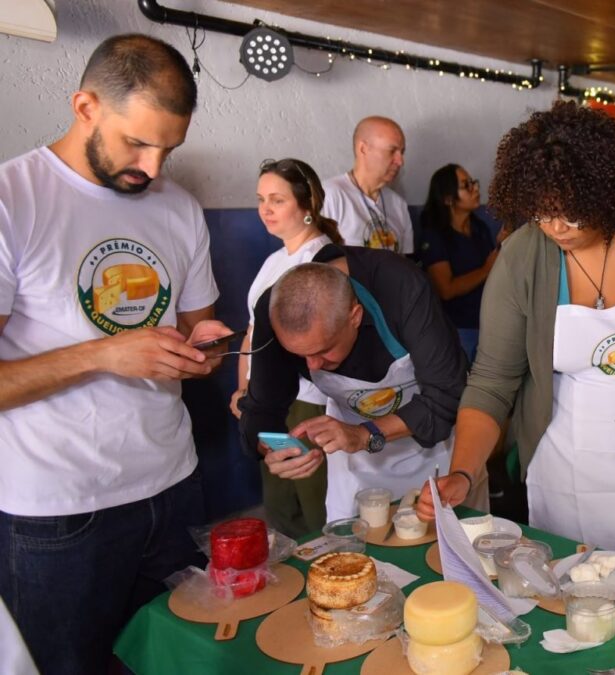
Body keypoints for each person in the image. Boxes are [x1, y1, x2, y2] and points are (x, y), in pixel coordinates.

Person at [415, 101, 615, 569]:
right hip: (569, 467)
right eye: (543, 214)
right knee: (574, 593)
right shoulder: (522, 257)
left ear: (607, 193)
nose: (556, 228)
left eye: (572, 214)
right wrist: (464, 474)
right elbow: (491, 381)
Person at [0, 34, 231, 674]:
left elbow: (198, 327)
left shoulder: (179, 208)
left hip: (173, 486)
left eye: (169, 148)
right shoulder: (13, 201)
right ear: (85, 107)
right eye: (138, 142)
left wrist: (202, 353)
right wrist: (102, 355)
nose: (153, 167)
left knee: (179, 659)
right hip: (58, 512)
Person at [238, 252, 480, 521]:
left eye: (324, 350)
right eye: (299, 355)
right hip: (355, 461)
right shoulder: (275, 308)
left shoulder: (401, 287)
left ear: (355, 315)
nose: (313, 365)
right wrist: (277, 450)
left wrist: (365, 435)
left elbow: (446, 397)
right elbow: (262, 408)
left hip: (439, 453)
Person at [228, 159, 342, 537]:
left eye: (277, 199)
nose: (265, 209)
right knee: (279, 500)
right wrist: (244, 388)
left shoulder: (323, 261)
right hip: (267, 399)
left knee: (314, 500)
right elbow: (252, 330)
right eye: (261, 199)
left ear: (306, 205)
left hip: (306, 398)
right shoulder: (274, 261)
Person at [417, 164, 509, 362]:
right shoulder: (434, 235)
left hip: (487, 323)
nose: (475, 189)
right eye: (466, 185)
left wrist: (501, 246)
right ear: (448, 198)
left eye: (473, 183)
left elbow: (493, 269)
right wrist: (486, 269)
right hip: (456, 329)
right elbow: (445, 289)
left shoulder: (479, 227)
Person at [322, 116, 414, 255]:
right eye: (392, 151)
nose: (400, 161)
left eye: (402, 152)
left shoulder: (398, 203)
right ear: (363, 149)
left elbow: (406, 261)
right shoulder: (330, 195)